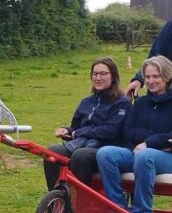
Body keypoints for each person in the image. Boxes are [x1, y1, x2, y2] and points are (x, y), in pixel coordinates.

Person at [97, 55, 172, 213]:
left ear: (168, 77)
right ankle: (117, 208)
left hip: (171, 158)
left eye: (156, 76)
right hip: (138, 152)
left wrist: (149, 143)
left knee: (145, 155)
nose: (150, 81)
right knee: (105, 153)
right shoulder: (140, 103)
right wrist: (151, 141)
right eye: (147, 77)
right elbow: (128, 131)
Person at [43, 57, 129, 190]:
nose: (98, 78)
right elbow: (75, 127)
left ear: (113, 76)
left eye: (103, 73)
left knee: (80, 155)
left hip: (105, 148)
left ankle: (79, 200)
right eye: (95, 74)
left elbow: (110, 131)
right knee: (53, 152)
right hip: (80, 144)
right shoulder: (86, 102)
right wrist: (67, 130)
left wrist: (78, 132)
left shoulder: (122, 103)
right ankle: (58, 200)